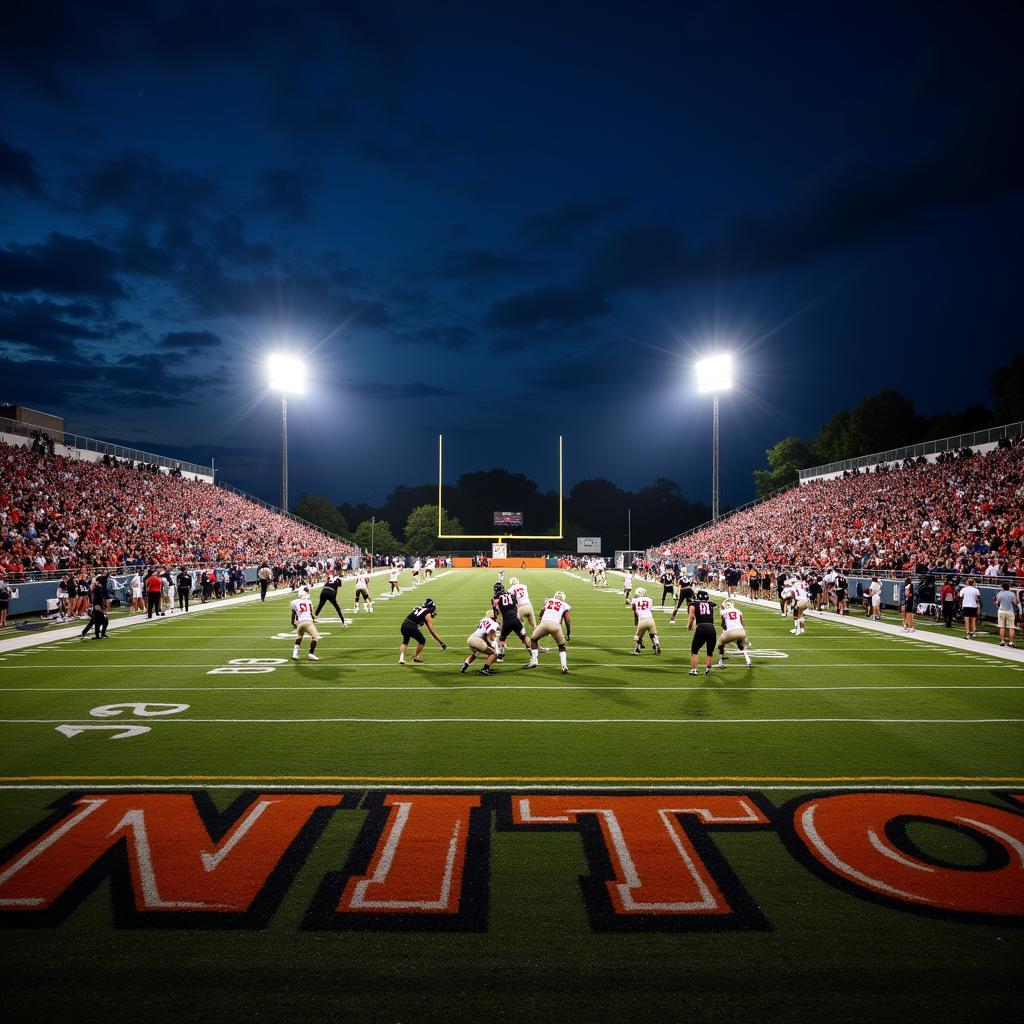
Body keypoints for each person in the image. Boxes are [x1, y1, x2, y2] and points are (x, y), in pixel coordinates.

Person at [525, 590, 571, 673]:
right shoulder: (564, 605)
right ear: (563, 599)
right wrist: (568, 632)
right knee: (561, 646)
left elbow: (542, 610)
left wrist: (540, 617)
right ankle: (564, 666)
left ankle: (534, 661)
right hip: (555, 626)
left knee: (534, 640)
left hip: (544, 624)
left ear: (555, 596)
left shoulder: (549, 601)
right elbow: (567, 620)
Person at [491, 582, 531, 662]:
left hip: (507, 620)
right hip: (516, 619)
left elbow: (496, 611)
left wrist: (495, 620)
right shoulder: (511, 594)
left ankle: (500, 656)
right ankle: (533, 654)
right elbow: (516, 606)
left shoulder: (495, 598)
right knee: (524, 637)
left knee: (502, 638)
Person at [398, 598, 446, 664]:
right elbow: (431, 630)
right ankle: (415, 657)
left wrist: (419, 624)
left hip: (404, 625)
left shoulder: (419, 608)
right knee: (422, 641)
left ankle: (401, 658)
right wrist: (441, 642)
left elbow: (415, 617)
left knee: (405, 642)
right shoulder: (427, 612)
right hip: (411, 626)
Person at [687, 589, 717, 676]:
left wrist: (689, 626)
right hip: (712, 628)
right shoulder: (711, 604)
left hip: (701, 627)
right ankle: (708, 669)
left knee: (695, 650)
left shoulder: (693, 604)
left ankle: (694, 670)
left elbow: (692, 616)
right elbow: (714, 605)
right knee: (710, 651)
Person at [717, 599, 752, 667]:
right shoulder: (739, 611)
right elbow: (742, 624)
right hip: (741, 631)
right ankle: (748, 659)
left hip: (731, 632)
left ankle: (720, 661)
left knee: (720, 644)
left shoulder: (724, 611)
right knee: (742, 646)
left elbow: (723, 625)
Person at [290, 585, 320, 661]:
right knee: (315, 637)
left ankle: (294, 654)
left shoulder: (294, 602)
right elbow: (309, 613)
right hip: (308, 622)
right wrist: (313, 619)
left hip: (300, 623)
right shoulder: (309, 601)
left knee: (299, 637)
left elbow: (293, 615)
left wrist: (293, 623)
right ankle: (311, 654)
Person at [631, 587, 661, 655]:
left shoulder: (634, 600)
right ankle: (656, 642)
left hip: (642, 620)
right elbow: (650, 609)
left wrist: (636, 622)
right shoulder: (649, 599)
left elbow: (634, 611)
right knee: (653, 634)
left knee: (638, 636)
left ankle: (637, 649)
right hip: (650, 619)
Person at [994, 583, 1018, 648]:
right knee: (1011, 627)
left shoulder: (1000, 593)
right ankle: (1011, 642)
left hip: (1001, 610)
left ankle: (1002, 641)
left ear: (1002, 587)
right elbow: (1015, 603)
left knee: (1002, 627)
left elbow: (997, 603)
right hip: (1010, 611)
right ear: (1009, 587)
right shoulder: (1012, 594)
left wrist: (996, 603)